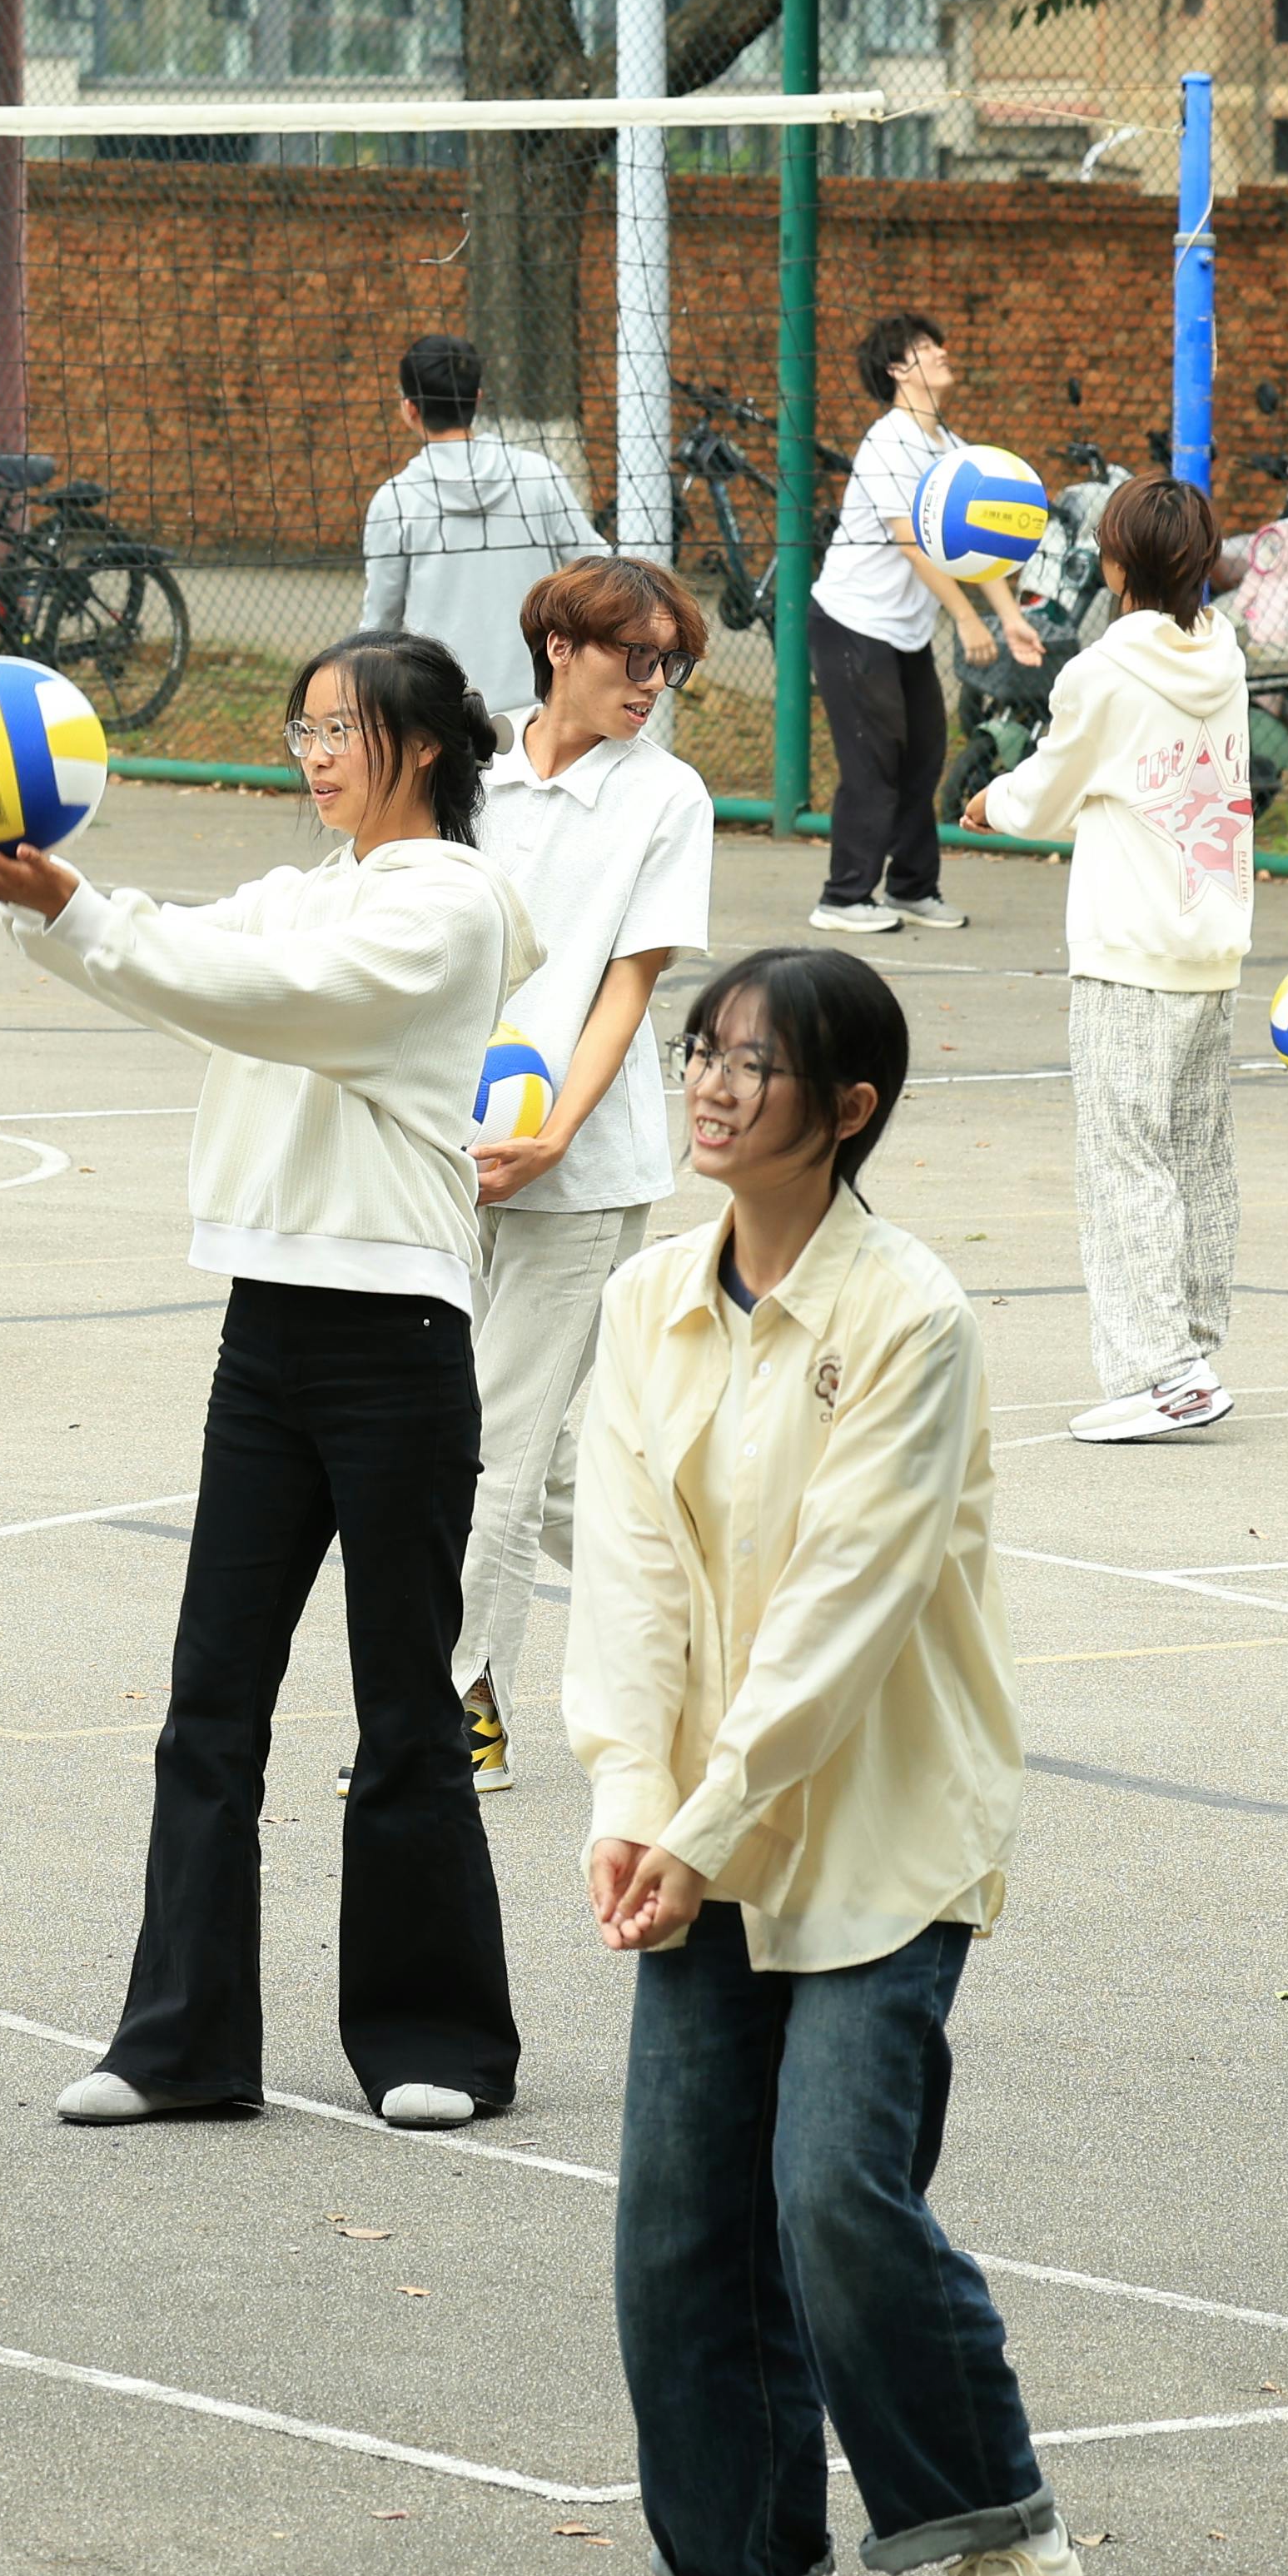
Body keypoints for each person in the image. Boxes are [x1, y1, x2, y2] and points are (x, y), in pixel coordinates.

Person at [0, 628, 527, 2132]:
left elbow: (267, 997)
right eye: (303, 726)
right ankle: (180, 2037)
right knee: (210, 1700)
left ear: (426, 744)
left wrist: (72, 905)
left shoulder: (449, 905)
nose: (314, 753)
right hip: (269, 1327)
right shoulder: (303, 889)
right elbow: (195, 955)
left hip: (398, 1336)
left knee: (402, 1697)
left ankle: (433, 2034)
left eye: (343, 728)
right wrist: (45, 899)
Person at [571, 944, 1087, 2576]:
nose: (708, 1084)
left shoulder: (907, 1317)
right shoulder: (647, 1297)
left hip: (876, 1824)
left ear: (847, 1106)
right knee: (674, 2213)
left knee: (835, 2193)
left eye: (752, 1064)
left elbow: (845, 1612)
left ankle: (1005, 2537)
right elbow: (630, 1571)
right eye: (700, 1052)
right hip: (707, 1830)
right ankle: (750, 2562)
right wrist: (628, 1798)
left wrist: (704, 1819)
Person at [460, 554, 718, 1793]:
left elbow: (631, 985)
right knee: (561, 1468)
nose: (655, 685)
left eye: (672, 665)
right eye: (635, 659)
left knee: (493, 1445)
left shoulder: (665, 798)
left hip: (582, 1162)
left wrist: (555, 1131)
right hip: (447, 1150)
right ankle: (711, 1627)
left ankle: (450, 1709)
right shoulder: (468, 772)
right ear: (561, 647)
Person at [973, 472, 1272, 1443]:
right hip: (1209, 941)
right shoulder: (1220, 653)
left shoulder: (1100, 673)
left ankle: (1162, 1372)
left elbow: (1049, 791)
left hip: (1128, 948)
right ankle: (1188, 1342)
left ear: (1112, 565)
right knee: (1193, 1152)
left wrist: (991, 802)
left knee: (1123, 1158)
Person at [808, 312, 1032, 940]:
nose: (942, 354)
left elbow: (974, 544)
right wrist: (965, 620)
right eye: (927, 348)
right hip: (851, 624)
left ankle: (911, 887)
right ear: (897, 369)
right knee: (874, 760)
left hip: (900, 632)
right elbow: (913, 542)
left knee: (925, 753)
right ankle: (844, 896)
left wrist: (1010, 618)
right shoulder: (886, 444)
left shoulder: (951, 449)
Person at [362, 331, 599, 714]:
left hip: (440, 710)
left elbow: (378, 627)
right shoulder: (539, 475)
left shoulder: (394, 501)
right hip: (540, 707)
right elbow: (600, 571)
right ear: (477, 398)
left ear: (409, 408)